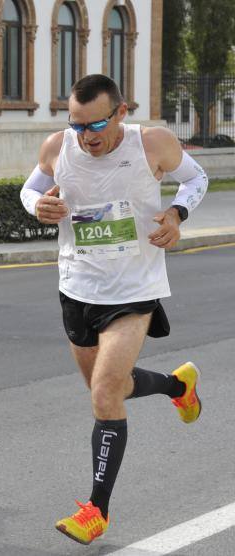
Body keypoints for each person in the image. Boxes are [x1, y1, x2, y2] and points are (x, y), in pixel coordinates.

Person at [20, 74, 208, 545]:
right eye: (77, 124)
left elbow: (196, 178)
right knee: (112, 387)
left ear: (121, 112)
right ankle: (176, 385)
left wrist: (176, 215)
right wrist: (37, 204)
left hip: (134, 289)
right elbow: (29, 189)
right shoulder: (57, 147)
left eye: (96, 124)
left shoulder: (152, 144)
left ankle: (96, 510)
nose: (86, 136)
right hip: (77, 287)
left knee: (104, 394)